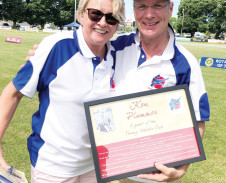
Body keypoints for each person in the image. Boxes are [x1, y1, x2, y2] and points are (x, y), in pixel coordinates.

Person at [24, 0, 210, 182]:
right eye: (142, 6)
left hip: (155, 174)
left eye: (158, 5)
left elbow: (197, 118)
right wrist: (41, 54)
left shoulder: (186, 62)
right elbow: (82, 45)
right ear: (134, 10)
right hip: (110, 170)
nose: (149, 14)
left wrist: (181, 169)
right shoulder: (114, 47)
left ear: (170, 9)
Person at [0, 0, 125, 182]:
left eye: (112, 18)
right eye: (95, 14)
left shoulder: (119, 54)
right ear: (81, 15)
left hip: (95, 166)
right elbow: (13, 92)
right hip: (53, 167)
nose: (103, 22)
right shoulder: (57, 46)